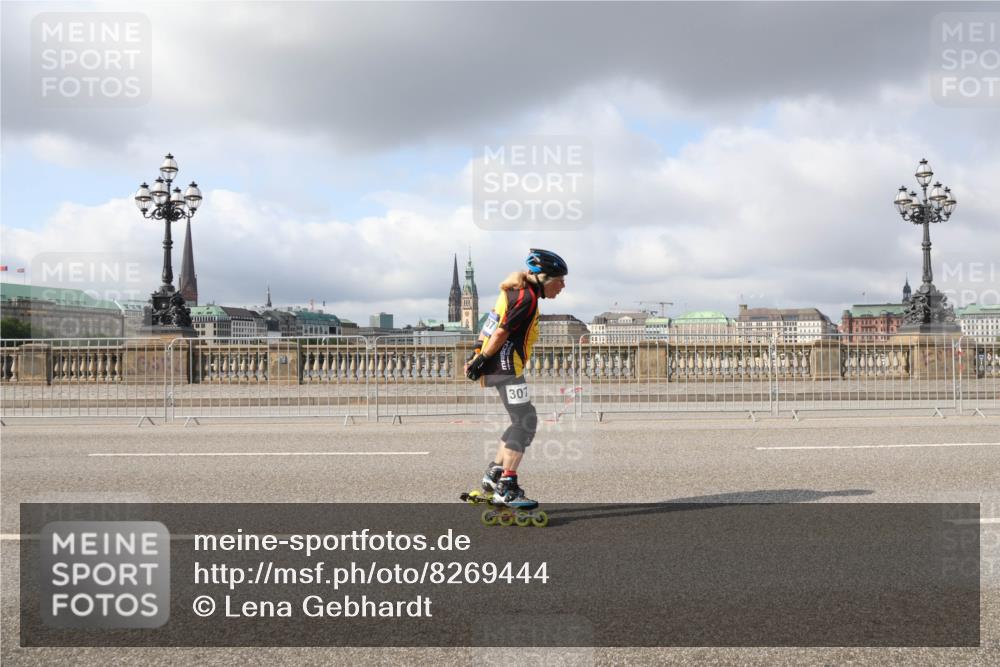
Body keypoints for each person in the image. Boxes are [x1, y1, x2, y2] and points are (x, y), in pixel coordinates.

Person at [464, 248, 568, 509]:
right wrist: (481, 359)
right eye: (560, 280)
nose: (563, 286)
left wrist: (477, 352)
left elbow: (487, 325)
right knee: (525, 422)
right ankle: (506, 486)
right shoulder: (527, 298)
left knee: (520, 420)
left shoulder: (511, 291)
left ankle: (495, 474)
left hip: (501, 366)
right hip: (507, 367)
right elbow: (499, 333)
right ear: (544, 278)